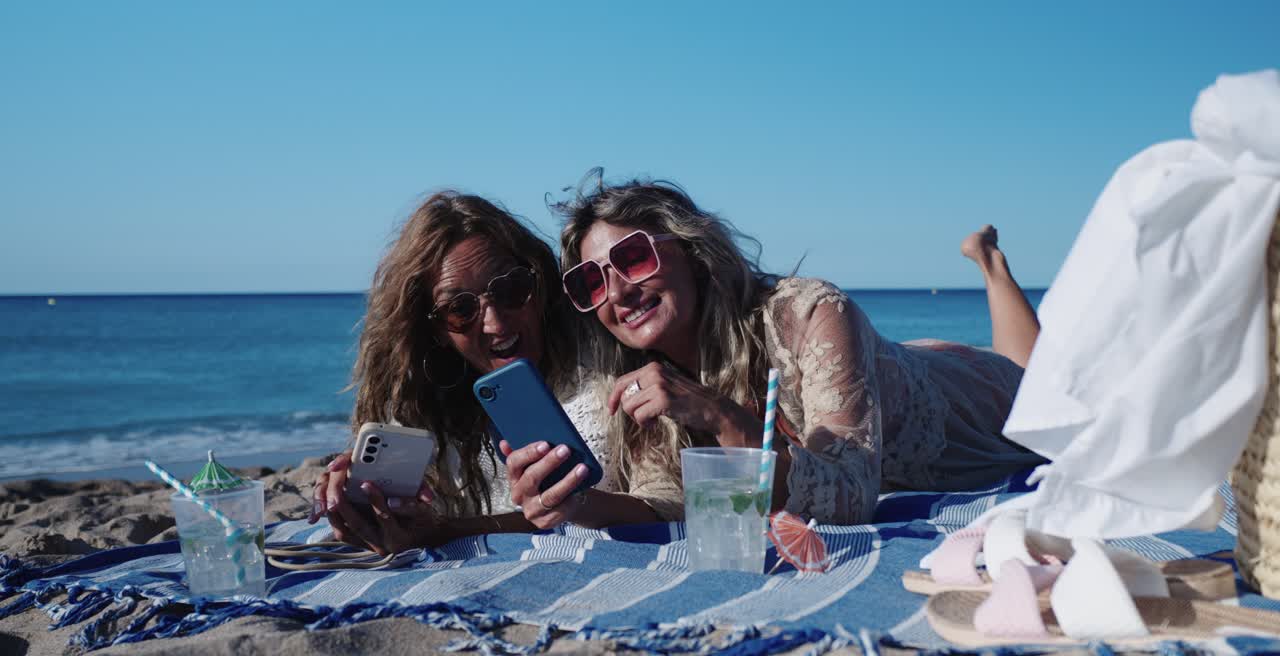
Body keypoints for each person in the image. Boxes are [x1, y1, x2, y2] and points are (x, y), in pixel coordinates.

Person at [539, 175, 1045, 525]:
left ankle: (990, 262)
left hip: (973, 396)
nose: (618, 292)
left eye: (632, 257)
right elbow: (669, 501)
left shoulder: (808, 313)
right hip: (887, 366)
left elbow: (851, 495)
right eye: (590, 282)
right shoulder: (641, 379)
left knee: (1037, 379)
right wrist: (574, 504)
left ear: (692, 252)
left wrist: (720, 417)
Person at [310, 191, 623, 554]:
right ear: (435, 330)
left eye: (510, 289)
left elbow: (646, 504)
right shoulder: (427, 406)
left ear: (538, 282)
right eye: (460, 309)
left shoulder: (604, 366)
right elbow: (413, 518)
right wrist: (361, 497)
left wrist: (446, 533)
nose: (495, 323)